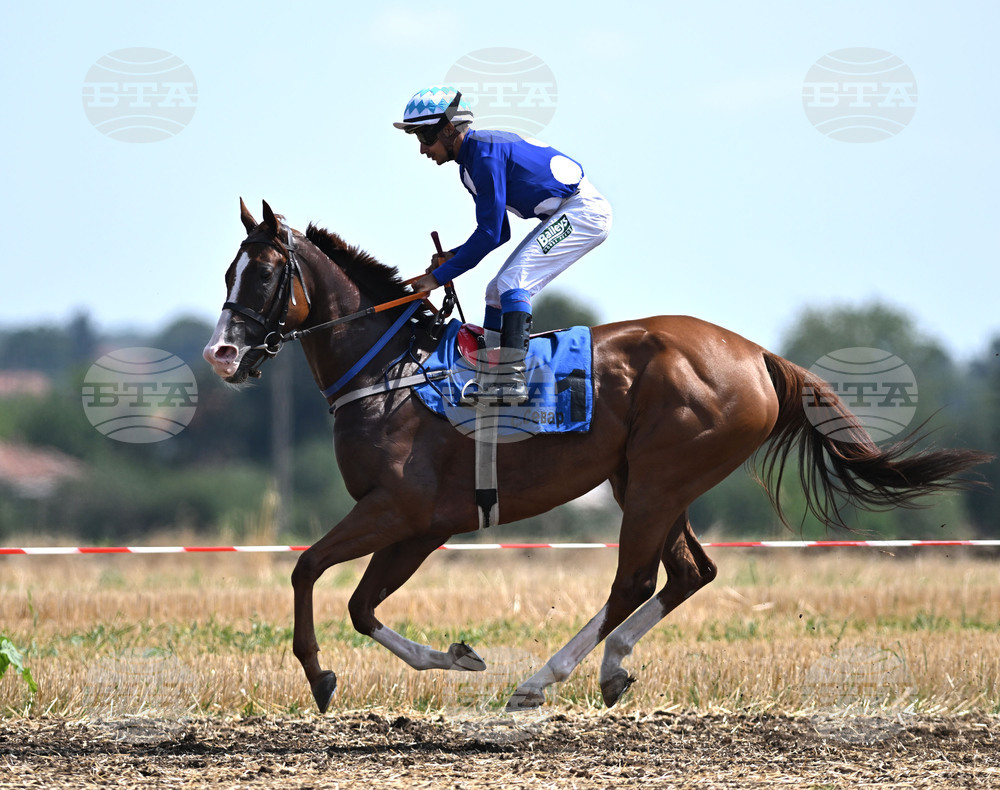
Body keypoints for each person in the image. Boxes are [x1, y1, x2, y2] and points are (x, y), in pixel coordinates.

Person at [396, 85, 612, 404]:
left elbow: (489, 234)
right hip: (569, 211)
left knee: (513, 283)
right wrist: (452, 257)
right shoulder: (471, 165)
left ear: (447, 129)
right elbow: (497, 232)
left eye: (424, 137)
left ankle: (510, 380)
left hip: (583, 211)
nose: (422, 150)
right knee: (496, 291)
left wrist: (436, 278)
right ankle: (491, 374)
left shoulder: (483, 152)